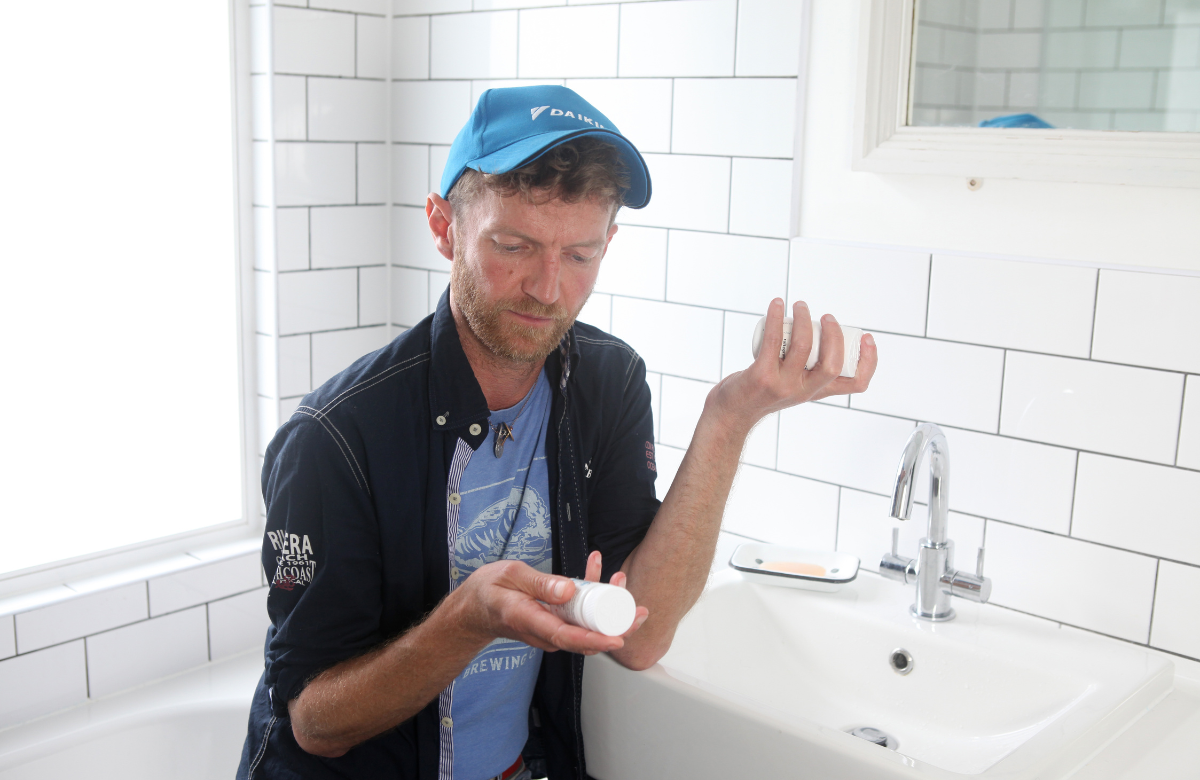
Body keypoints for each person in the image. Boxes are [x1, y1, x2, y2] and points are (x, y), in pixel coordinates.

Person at [236, 85, 876, 780]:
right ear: (444, 226)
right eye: (513, 246)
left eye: (580, 255)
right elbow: (316, 724)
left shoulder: (607, 382)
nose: (547, 289)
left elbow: (640, 637)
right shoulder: (336, 437)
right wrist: (466, 622)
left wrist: (730, 418)